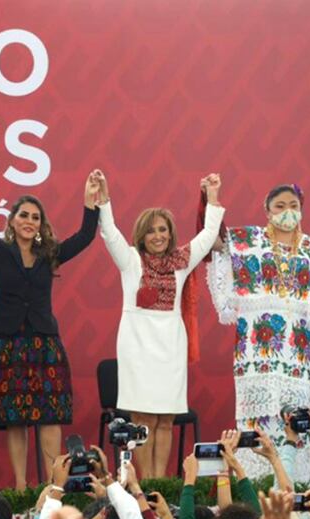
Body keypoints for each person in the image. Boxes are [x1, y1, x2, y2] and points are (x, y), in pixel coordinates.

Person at [0, 155, 99, 489]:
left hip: (44, 343)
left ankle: (54, 486)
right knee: (16, 419)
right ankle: (22, 488)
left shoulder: (50, 254)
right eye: (23, 215)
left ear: (41, 225)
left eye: (35, 218)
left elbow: (85, 235)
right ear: (11, 221)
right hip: (8, 342)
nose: (29, 221)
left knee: (51, 416)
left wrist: (90, 201)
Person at [206, 183, 310, 482]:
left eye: (293, 205)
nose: (287, 212)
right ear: (267, 211)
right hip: (256, 355)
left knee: (297, 421)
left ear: (301, 209)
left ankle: (297, 487)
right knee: (257, 424)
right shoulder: (250, 240)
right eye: (279, 206)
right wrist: (213, 198)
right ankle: (254, 487)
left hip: (298, 356)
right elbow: (216, 243)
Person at [96, 171, 225, 478]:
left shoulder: (181, 261)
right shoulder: (130, 261)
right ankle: (146, 485)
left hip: (170, 345)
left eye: (164, 230)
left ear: (171, 234)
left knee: (166, 420)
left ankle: (161, 483)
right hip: (137, 345)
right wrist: (103, 197)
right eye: (152, 231)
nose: (158, 236)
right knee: (143, 421)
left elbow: (208, 237)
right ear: (142, 235)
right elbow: (110, 232)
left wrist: (213, 197)